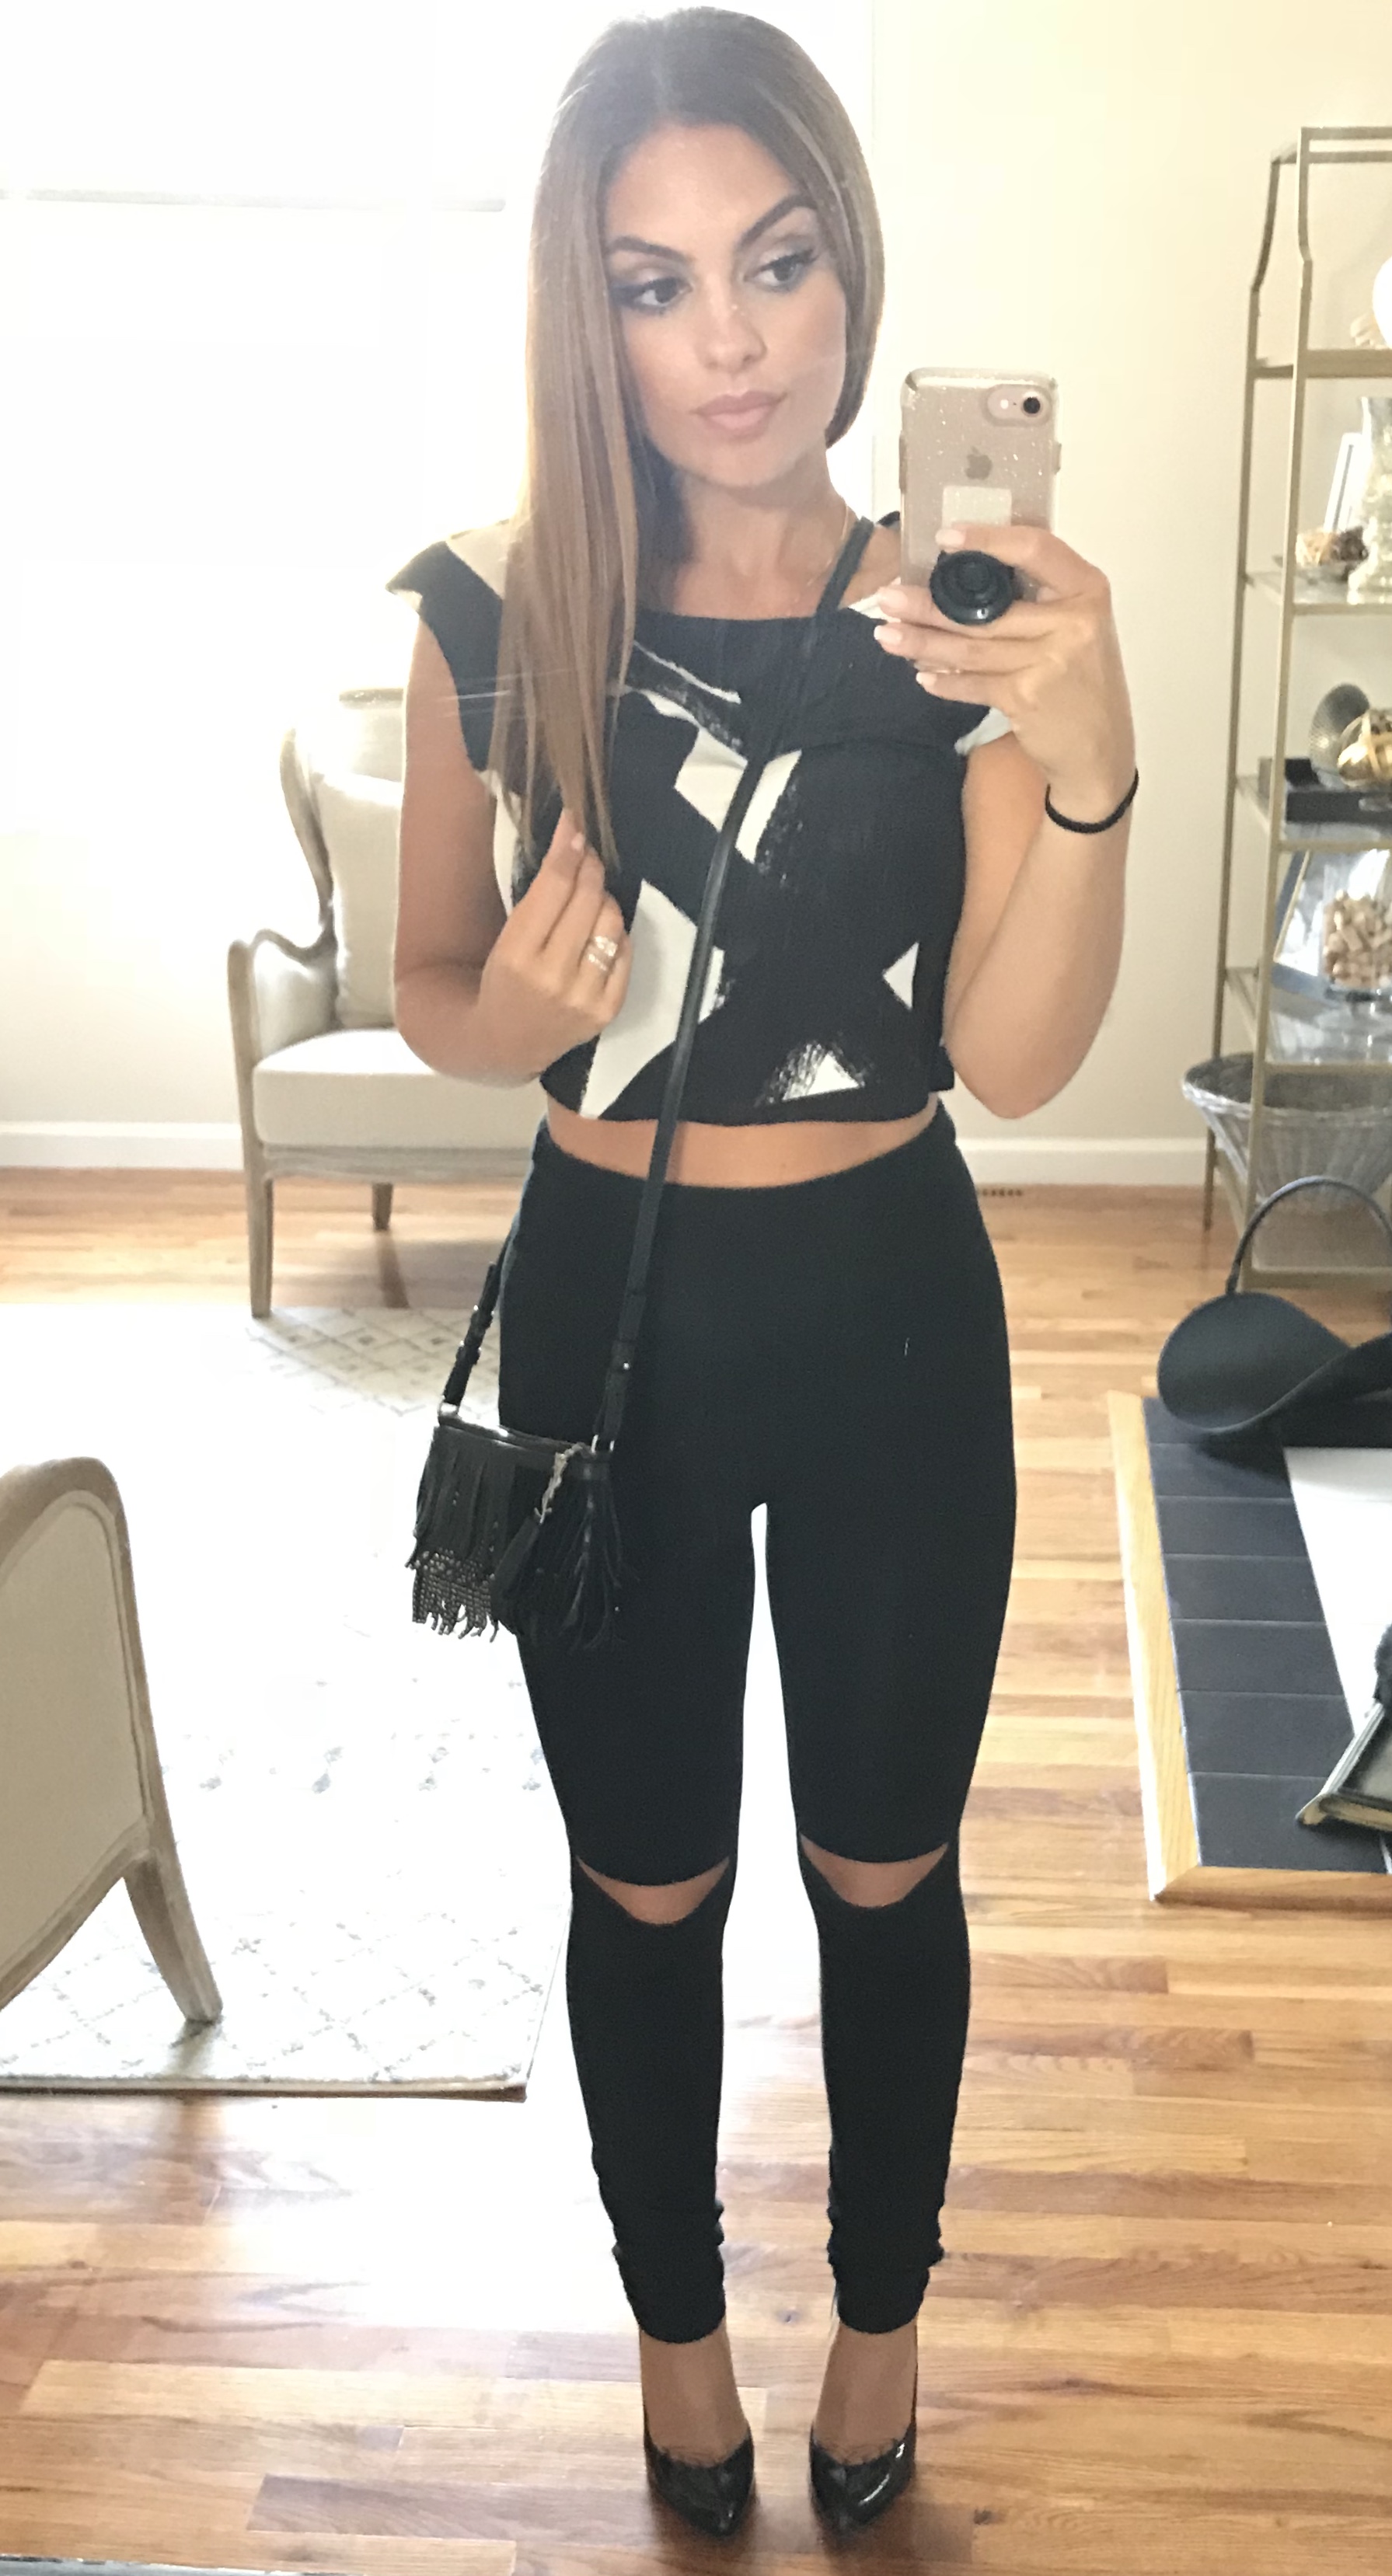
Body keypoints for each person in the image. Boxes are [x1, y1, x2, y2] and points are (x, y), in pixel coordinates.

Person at [390, 5, 1136, 2540]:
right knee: (646, 1885)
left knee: (885, 1872)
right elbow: (434, 994)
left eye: (777, 263)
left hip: (893, 1320)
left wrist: (1091, 752)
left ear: (849, 266)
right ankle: (679, 2347)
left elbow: (1015, 1057)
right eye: (656, 282)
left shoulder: (955, 617)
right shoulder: (496, 609)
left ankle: (884, 2326)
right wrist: (522, 1006)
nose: (729, 338)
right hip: (606, 1327)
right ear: (583, 312)